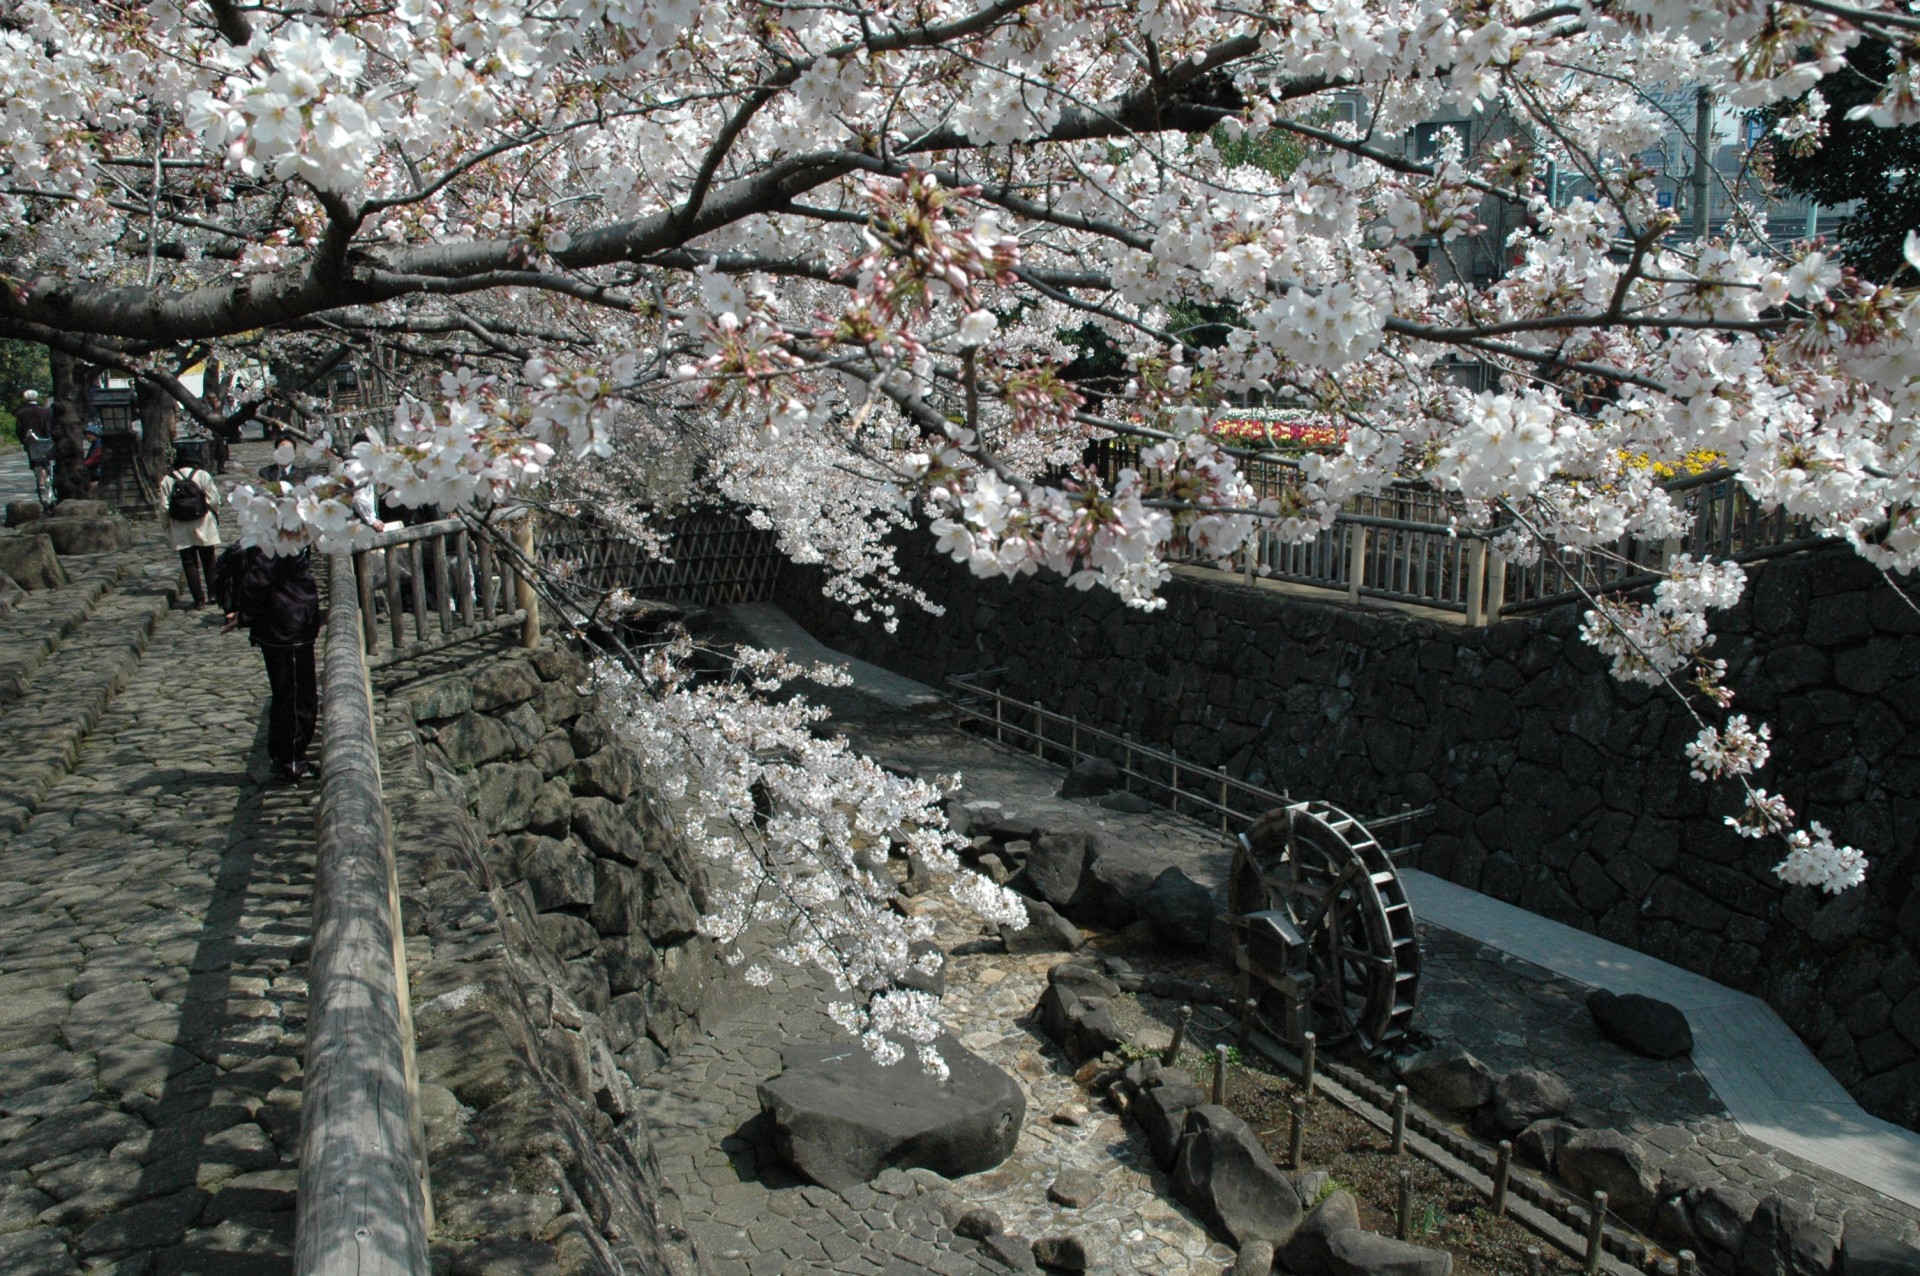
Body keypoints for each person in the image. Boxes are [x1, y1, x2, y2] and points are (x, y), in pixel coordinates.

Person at [222, 547, 321, 781]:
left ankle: (283, 755)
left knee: (288, 694)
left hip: (287, 625)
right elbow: (257, 580)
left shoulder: (280, 535)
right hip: (287, 629)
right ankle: (292, 759)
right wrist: (245, 614)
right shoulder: (278, 538)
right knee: (295, 696)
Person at [158, 456, 223, 608]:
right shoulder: (202, 475)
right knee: (209, 560)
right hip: (203, 522)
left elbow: (163, 507)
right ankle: (213, 593)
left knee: (189, 563)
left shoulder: (168, 479)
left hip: (180, 525)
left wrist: (167, 525)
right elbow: (214, 499)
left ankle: (198, 599)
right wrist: (214, 513)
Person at [17, 389, 53, 505]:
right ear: (36, 398)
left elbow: (19, 429)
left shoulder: (21, 412)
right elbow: (50, 425)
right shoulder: (46, 411)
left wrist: (23, 440)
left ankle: (40, 479)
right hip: (45, 440)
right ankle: (44, 480)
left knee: (34, 462)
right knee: (45, 461)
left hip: (30, 441)